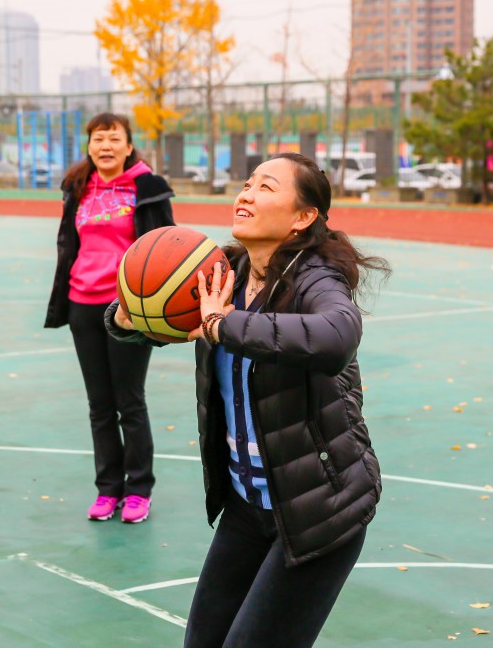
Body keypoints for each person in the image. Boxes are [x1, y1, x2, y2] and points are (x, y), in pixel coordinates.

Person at [107, 152, 389, 646]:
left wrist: (224, 324)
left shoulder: (315, 277)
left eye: (266, 187)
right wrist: (126, 318)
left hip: (318, 509)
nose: (246, 194)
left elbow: (336, 337)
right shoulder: (222, 271)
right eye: (247, 183)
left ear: (304, 217)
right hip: (247, 504)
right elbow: (167, 319)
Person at [45, 112, 175, 524]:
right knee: (99, 404)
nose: (106, 146)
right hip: (82, 304)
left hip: (127, 310)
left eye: (114, 138)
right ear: (89, 146)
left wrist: (151, 305)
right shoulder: (78, 187)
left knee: (129, 401)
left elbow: (166, 246)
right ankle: (107, 489)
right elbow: (69, 242)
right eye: (98, 138)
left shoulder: (148, 188)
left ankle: (138, 490)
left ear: (128, 146)